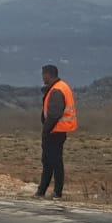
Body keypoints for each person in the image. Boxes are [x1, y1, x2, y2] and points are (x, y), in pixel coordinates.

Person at [37, 64, 78, 199]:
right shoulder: (60, 87)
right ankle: (42, 191)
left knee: (53, 162)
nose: (43, 77)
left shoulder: (57, 90)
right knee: (49, 161)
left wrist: (45, 130)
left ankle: (56, 193)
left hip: (55, 131)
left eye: (44, 74)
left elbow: (54, 114)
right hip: (58, 131)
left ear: (49, 74)